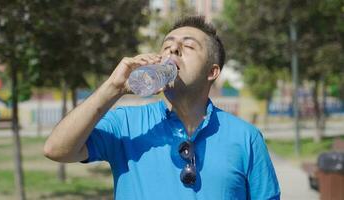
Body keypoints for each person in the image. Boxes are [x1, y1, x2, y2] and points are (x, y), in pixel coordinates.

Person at [44, 15, 280, 199]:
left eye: (188, 46)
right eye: (167, 46)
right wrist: (112, 88)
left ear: (212, 72)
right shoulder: (126, 123)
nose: (173, 50)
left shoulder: (245, 137)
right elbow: (56, 149)